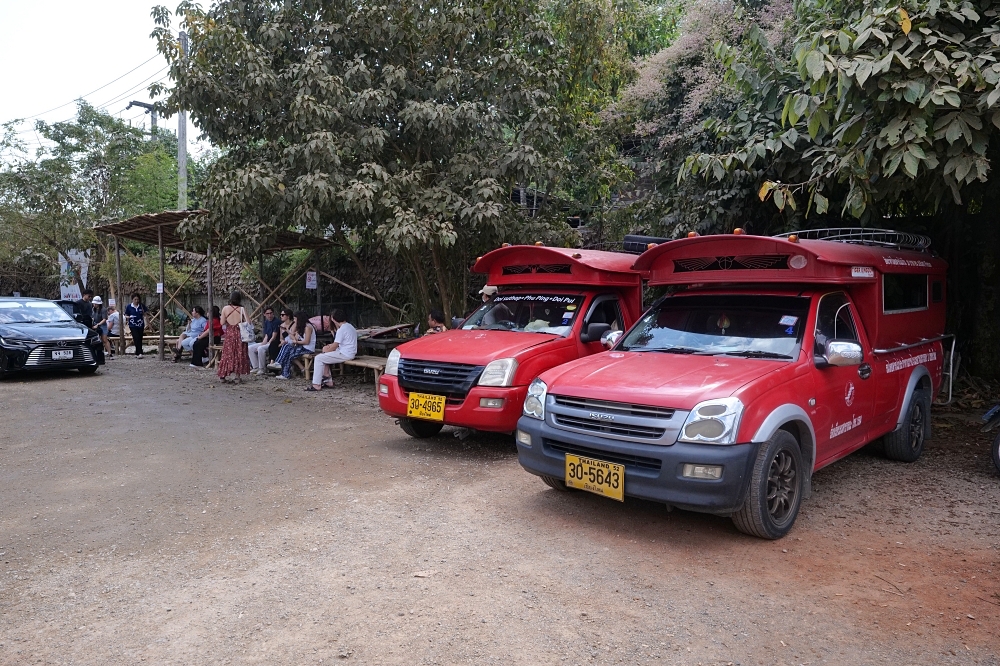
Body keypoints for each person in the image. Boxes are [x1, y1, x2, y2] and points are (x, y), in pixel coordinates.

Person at [306, 309, 358, 391]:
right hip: (347, 352)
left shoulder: (341, 329)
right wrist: (328, 348)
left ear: (333, 319)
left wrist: (326, 350)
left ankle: (316, 384)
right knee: (324, 357)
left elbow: (335, 345)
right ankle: (328, 381)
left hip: (345, 354)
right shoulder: (350, 326)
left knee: (319, 358)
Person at [217, 291, 252, 381]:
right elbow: (249, 322)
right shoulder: (242, 309)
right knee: (239, 353)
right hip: (240, 333)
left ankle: (223, 375)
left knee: (227, 353)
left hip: (229, 333)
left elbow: (222, 323)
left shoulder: (225, 308)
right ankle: (237, 376)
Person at [270, 311, 315, 379]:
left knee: (288, 351)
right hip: (301, 347)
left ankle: (282, 369)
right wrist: (290, 333)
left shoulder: (308, 327)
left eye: (295, 319)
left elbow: (306, 342)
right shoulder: (301, 327)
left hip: (308, 348)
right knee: (286, 346)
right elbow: (296, 338)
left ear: (299, 319)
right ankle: (282, 369)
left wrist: (296, 342)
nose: (294, 320)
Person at [248, 306, 280, 374]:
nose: (270, 315)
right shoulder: (266, 322)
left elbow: (274, 337)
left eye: (271, 313)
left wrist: (266, 344)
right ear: (264, 314)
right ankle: (255, 367)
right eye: (267, 313)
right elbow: (266, 336)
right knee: (250, 348)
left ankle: (262, 368)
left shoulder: (276, 322)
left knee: (260, 349)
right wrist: (263, 344)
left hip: (274, 343)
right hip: (268, 341)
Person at [125, 293, 147, 358]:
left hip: (140, 324)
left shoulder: (141, 306)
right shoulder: (129, 306)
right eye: (135, 299)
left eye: (138, 299)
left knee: (140, 338)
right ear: (132, 300)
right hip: (132, 325)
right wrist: (129, 317)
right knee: (136, 337)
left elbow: (145, 314)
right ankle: (139, 352)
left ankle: (138, 352)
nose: (136, 301)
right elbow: (126, 315)